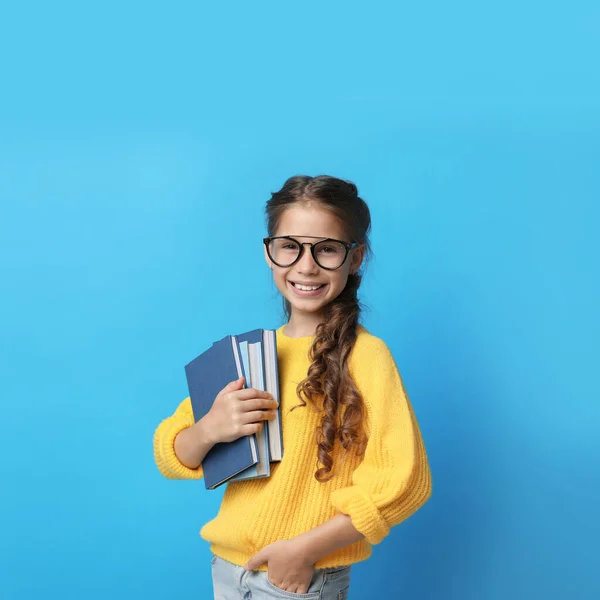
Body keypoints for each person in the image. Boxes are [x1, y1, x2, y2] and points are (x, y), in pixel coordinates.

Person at [153, 175, 432, 599]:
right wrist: (210, 429)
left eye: (326, 249)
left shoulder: (366, 356)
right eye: (290, 246)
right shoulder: (247, 353)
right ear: (269, 253)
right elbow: (172, 454)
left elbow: (405, 481)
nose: (306, 266)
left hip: (299, 576)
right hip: (228, 570)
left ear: (354, 258)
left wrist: (303, 552)